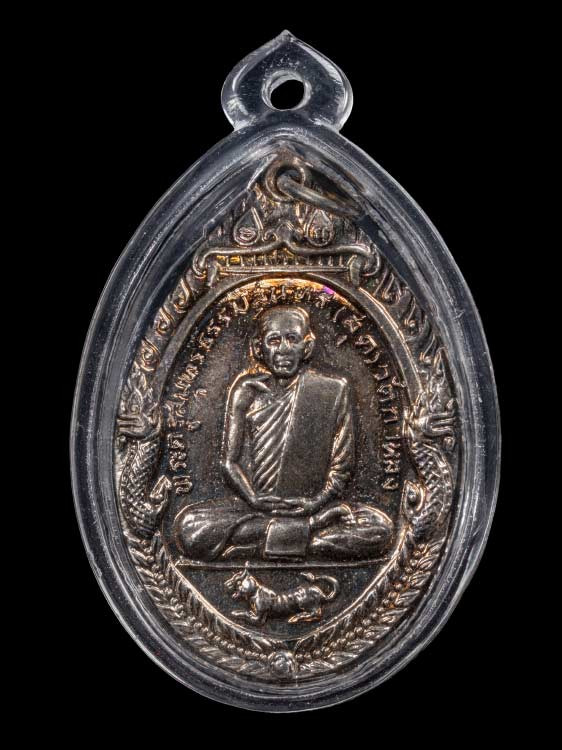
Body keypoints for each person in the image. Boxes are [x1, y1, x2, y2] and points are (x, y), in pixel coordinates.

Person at [173, 305, 393, 561]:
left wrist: (315, 504)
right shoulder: (246, 392)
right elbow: (229, 463)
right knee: (190, 528)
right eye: (274, 340)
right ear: (259, 348)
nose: (284, 349)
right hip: (256, 509)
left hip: (313, 507)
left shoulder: (332, 389)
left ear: (307, 347)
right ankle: (307, 535)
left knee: (381, 529)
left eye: (292, 339)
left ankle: (262, 542)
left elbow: (342, 468)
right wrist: (253, 499)